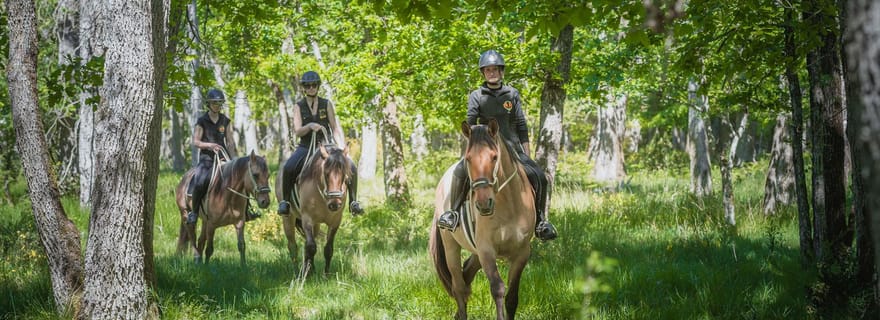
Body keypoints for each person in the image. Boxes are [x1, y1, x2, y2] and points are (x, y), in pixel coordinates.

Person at [437, 50, 558, 241]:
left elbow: (521, 125)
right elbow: (469, 123)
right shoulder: (476, 95)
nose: (492, 73)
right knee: (460, 172)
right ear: (483, 73)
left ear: (501, 72)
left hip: (513, 148)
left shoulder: (512, 94)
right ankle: (453, 214)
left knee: (540, 177)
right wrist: (475, 146)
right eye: (488, 70)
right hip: (485, 149)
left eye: (495, 69)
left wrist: (526, 152)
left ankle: (541, 222)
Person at [278, 71, 364, 216]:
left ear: (318, 86)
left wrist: (341, 146)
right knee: (288, 167)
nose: (311, 88)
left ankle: (353, 202)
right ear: (304, 88)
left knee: (352, 166)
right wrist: (310, 126)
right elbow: (298, 131)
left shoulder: (326, 104)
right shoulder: (298, 107)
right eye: (308, 85)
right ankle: (285, 202)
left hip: (328, 146)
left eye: (314, 85)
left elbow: (334, 128)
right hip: (306, 147)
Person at [187, 88, 238, 225]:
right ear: (208, 103)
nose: (217, 105)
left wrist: (233, 160)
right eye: (215, 103)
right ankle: (194, 212)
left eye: (220, 103)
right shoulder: (202, 121)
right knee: (200, 181)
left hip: (223, 158)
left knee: (239, 180)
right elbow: (196, 141)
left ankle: (246, 211)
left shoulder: (225, 121)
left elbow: (230, 141)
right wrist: (210, 145)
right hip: (207, 160)